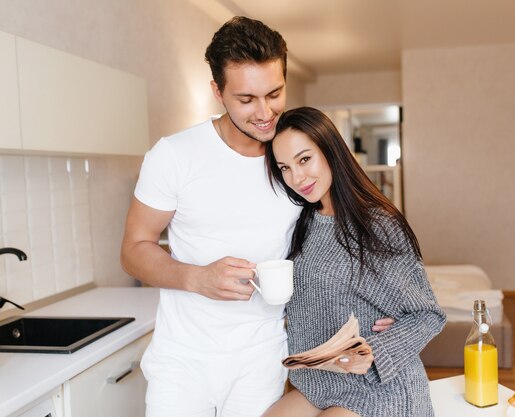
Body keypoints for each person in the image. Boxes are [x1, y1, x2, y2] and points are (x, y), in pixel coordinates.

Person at [121, 17, 393, 417]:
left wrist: (377, 311)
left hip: (263, 358)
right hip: (183, 359)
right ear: (217, 91)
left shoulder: (295, 159)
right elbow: (133, 249)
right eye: (246, 99)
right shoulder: (174, 155)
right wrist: (196, 277)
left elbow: (340, 236)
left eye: (275, 93)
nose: (265, 113)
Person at [262, 107, 447, 417]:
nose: (297, 177)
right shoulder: (302, 222)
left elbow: (428, 314)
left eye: (304, 159)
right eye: (284, 167)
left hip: (379, 386)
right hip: (318, 384)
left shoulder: (377, 226)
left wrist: (376, 351)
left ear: (330, 151)